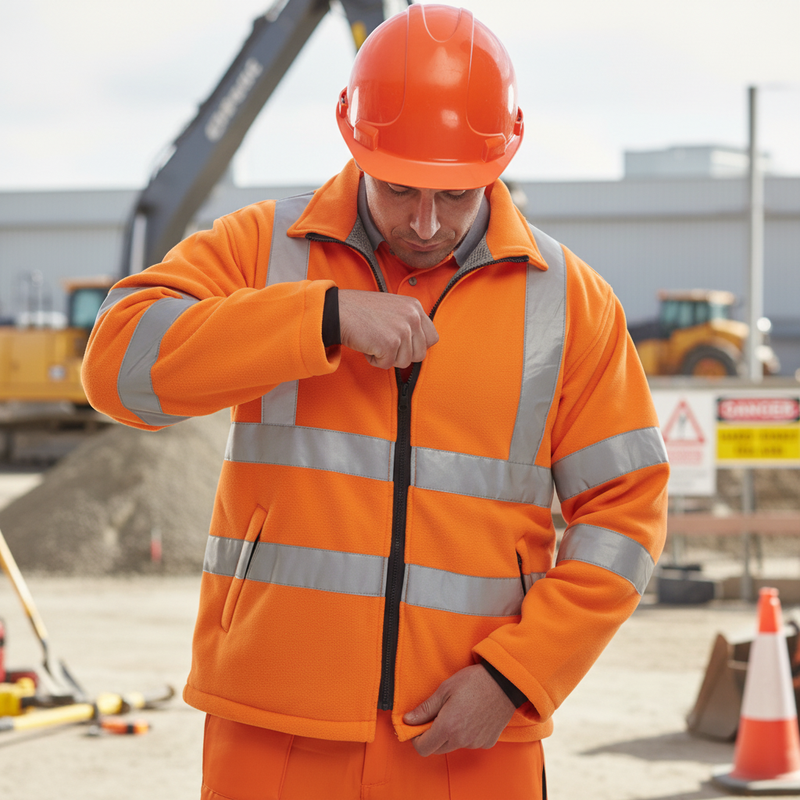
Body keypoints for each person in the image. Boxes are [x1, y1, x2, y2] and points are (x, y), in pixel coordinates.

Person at [82, 5, 669, 799]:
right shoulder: (264, 249)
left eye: (458, 195)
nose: (427, 223)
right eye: (400, 189)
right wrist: (316, 317)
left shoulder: (570, 304)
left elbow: (625, 513)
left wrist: (517, 678)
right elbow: (116, 366)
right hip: (275, 727)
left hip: (469, 734)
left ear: (501, 160)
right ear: (354, 142)